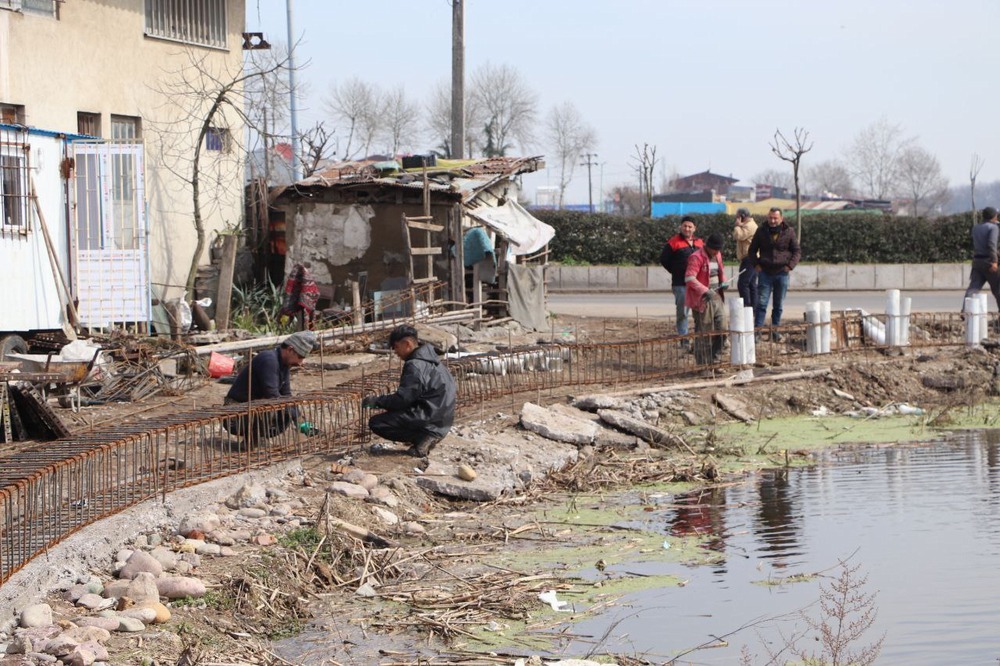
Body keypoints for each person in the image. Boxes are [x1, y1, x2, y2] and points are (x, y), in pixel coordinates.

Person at [363, 325, 457, 457]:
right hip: (442, 419)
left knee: (377, 423)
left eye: (396, 347)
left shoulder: (414, 365)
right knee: (394, 412)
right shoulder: (434, 361)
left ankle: (423, 438)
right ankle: (427, 435)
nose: (395, 352)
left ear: (407, 344)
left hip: (429, 418)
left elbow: (403, 399)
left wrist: (377, 401)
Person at [223, 330, 316, 442]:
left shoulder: (284, 364)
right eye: (300, 357)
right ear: (290, 350)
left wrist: (301, 422)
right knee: (272, 406)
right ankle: (251, 441)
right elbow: (272, 395)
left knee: (287, 410)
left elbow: (286, 394)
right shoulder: (269, 360)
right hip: (235, 417)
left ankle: (256, 437)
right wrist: (296, 418)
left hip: (251, 411)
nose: (301, 363)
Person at [747, 207, 800, 340]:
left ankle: (774, 332)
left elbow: (797, 251)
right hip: (765, 272)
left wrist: (790, 266)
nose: (772, 220)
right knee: (762, 304)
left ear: (781, 218)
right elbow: (752, 250)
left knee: (778, 305)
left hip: (782, 273)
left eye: (775, 218)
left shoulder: (789, 231)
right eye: (770, 217)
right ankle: (757, 333)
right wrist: (756, 264)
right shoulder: (761, 231)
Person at [684, 232, 727, 365]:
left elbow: (721, 271)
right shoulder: (696, 257)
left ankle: (715, 360)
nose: (716, 252)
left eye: (718, 249)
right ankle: (702, 364)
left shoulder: (717, 255)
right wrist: (705, 290)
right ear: (707, 246)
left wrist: (723, 282)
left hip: (717, 297)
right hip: (703, 300)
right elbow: (689, 278)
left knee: (722, 329)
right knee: (704, 332)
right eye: (714, 249)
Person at [660, 216, 704, 344]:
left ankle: (698, 339)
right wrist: (675, 270)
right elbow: (664, 259)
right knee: (683, 313)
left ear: (694, 228)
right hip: (680, 284)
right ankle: (683, 339)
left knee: (699, 313)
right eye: (685, 226)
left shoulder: (700, 243)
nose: (687, 228)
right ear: (681, 227)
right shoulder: (673, 242)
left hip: (697, 284)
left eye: (690, 226)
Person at [962, 206, 1000, 312]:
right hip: (989, 262)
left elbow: (981, 244)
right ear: (994, 216)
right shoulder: (993, 228)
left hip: (977, 261)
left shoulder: (976, 227)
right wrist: (995, 261)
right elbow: (991, 245)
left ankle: (965, 311)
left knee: (973, 288)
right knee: (998, 288)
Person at [732, 207, 759, 310]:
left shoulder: (750, 226)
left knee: (743, 284)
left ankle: (747, 307)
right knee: (751, 284)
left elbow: (738, 236)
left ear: (742, 217)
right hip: (750, 258)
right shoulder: (747, 225)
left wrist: (737, 226)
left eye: (738, 217)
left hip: (749, 258)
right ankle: (753, 309)